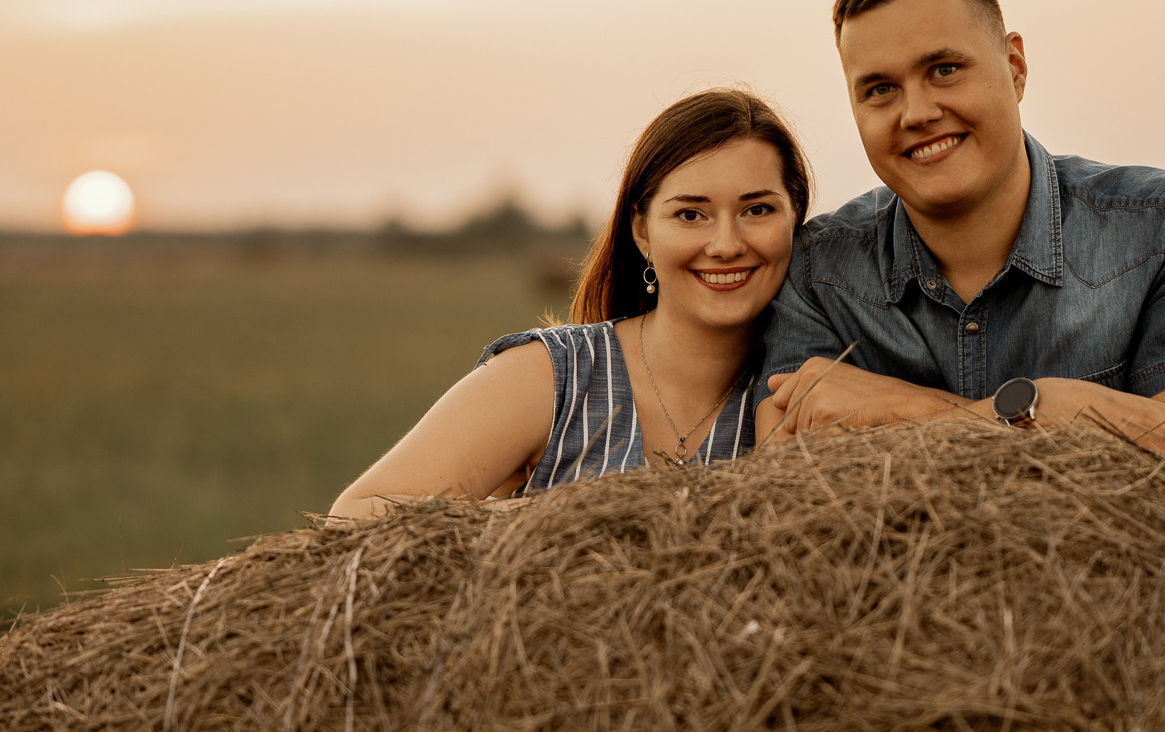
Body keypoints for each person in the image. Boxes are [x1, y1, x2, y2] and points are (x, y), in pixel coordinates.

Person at [756, 0, 1165, 476]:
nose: (917, 112)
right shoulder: (816, 272)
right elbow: (789, 493)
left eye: (945, 69)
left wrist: (903, 410)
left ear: (1015, 66)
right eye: (880, 89)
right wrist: (1046, 411)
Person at [330, 89, 812, 521]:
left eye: (757, 210)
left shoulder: (812, 388)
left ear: (796, 219)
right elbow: (356, 515)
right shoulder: (552, 376)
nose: (726, 244)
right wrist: (552, 530)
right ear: (641, 231)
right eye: (690, 214)